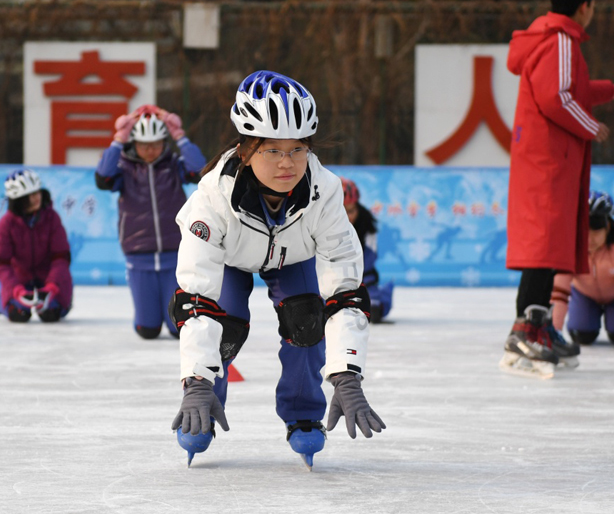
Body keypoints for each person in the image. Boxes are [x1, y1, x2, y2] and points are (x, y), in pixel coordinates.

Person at [168, 70, 385, 468]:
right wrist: (196, 381)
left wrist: (346, 373)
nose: (288, 163)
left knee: (307, 319)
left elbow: (345, 289)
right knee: (224, 327)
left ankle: (304, 415)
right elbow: (196, 296)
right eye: (272, 151)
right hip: (231, 262)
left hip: (293, 258)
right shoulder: (211, 199)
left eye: (298, 149)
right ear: (246, 149)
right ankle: (204, 402)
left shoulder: (325, 191)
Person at [500, 0, 614, 379]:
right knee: (544, 243)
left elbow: (570, 90)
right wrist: (592, 125)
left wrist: (609, 90)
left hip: (550, 159)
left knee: (552, 242)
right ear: (585, 6)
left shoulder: (557, 40)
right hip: (549, 159)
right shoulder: (560, 39)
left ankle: (538, 323)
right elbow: (556, 96)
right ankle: (524, 328)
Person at [95, 105, 206, 339]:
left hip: (174, 254)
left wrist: (180, 135)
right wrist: (118, 139)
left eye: (156, 143)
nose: (150, 150)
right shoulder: (124, 169)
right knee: (148, 330)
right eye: (144, 144)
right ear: (133, 143)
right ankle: (146, 319)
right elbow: (103, 178)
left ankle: (173, 316)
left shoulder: (173, 165)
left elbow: (200, 170)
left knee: (179, 327)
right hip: (139, 254)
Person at [551, 191, 614, 351]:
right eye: (585, 232)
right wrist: (553, 330)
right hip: (584, 294)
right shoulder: (569, 244)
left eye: (596, 231)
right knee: (582, 335)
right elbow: (558, 290)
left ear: (608, 226)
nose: (590, 239)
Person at [0, 169, 73, 323]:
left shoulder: (52, 218)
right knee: (18, 314)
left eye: (37, 192)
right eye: (30, 196)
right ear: (18, 199)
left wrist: (52, 285)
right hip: (18, 279)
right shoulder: (6, 224)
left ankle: (58, 298)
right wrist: (16, 290)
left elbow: (61, 257)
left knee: (51, 314)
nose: (36, 199)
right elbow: (1, 263)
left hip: (47, 278)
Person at [340, 177, 394, 323]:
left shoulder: (367, 225)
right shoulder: (319, 223)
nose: (347, 216)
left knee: (374, 309)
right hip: (330, 278)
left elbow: (369, 259)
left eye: (351, 211)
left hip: (362, 276)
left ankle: (383, 294)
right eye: (342, 210)